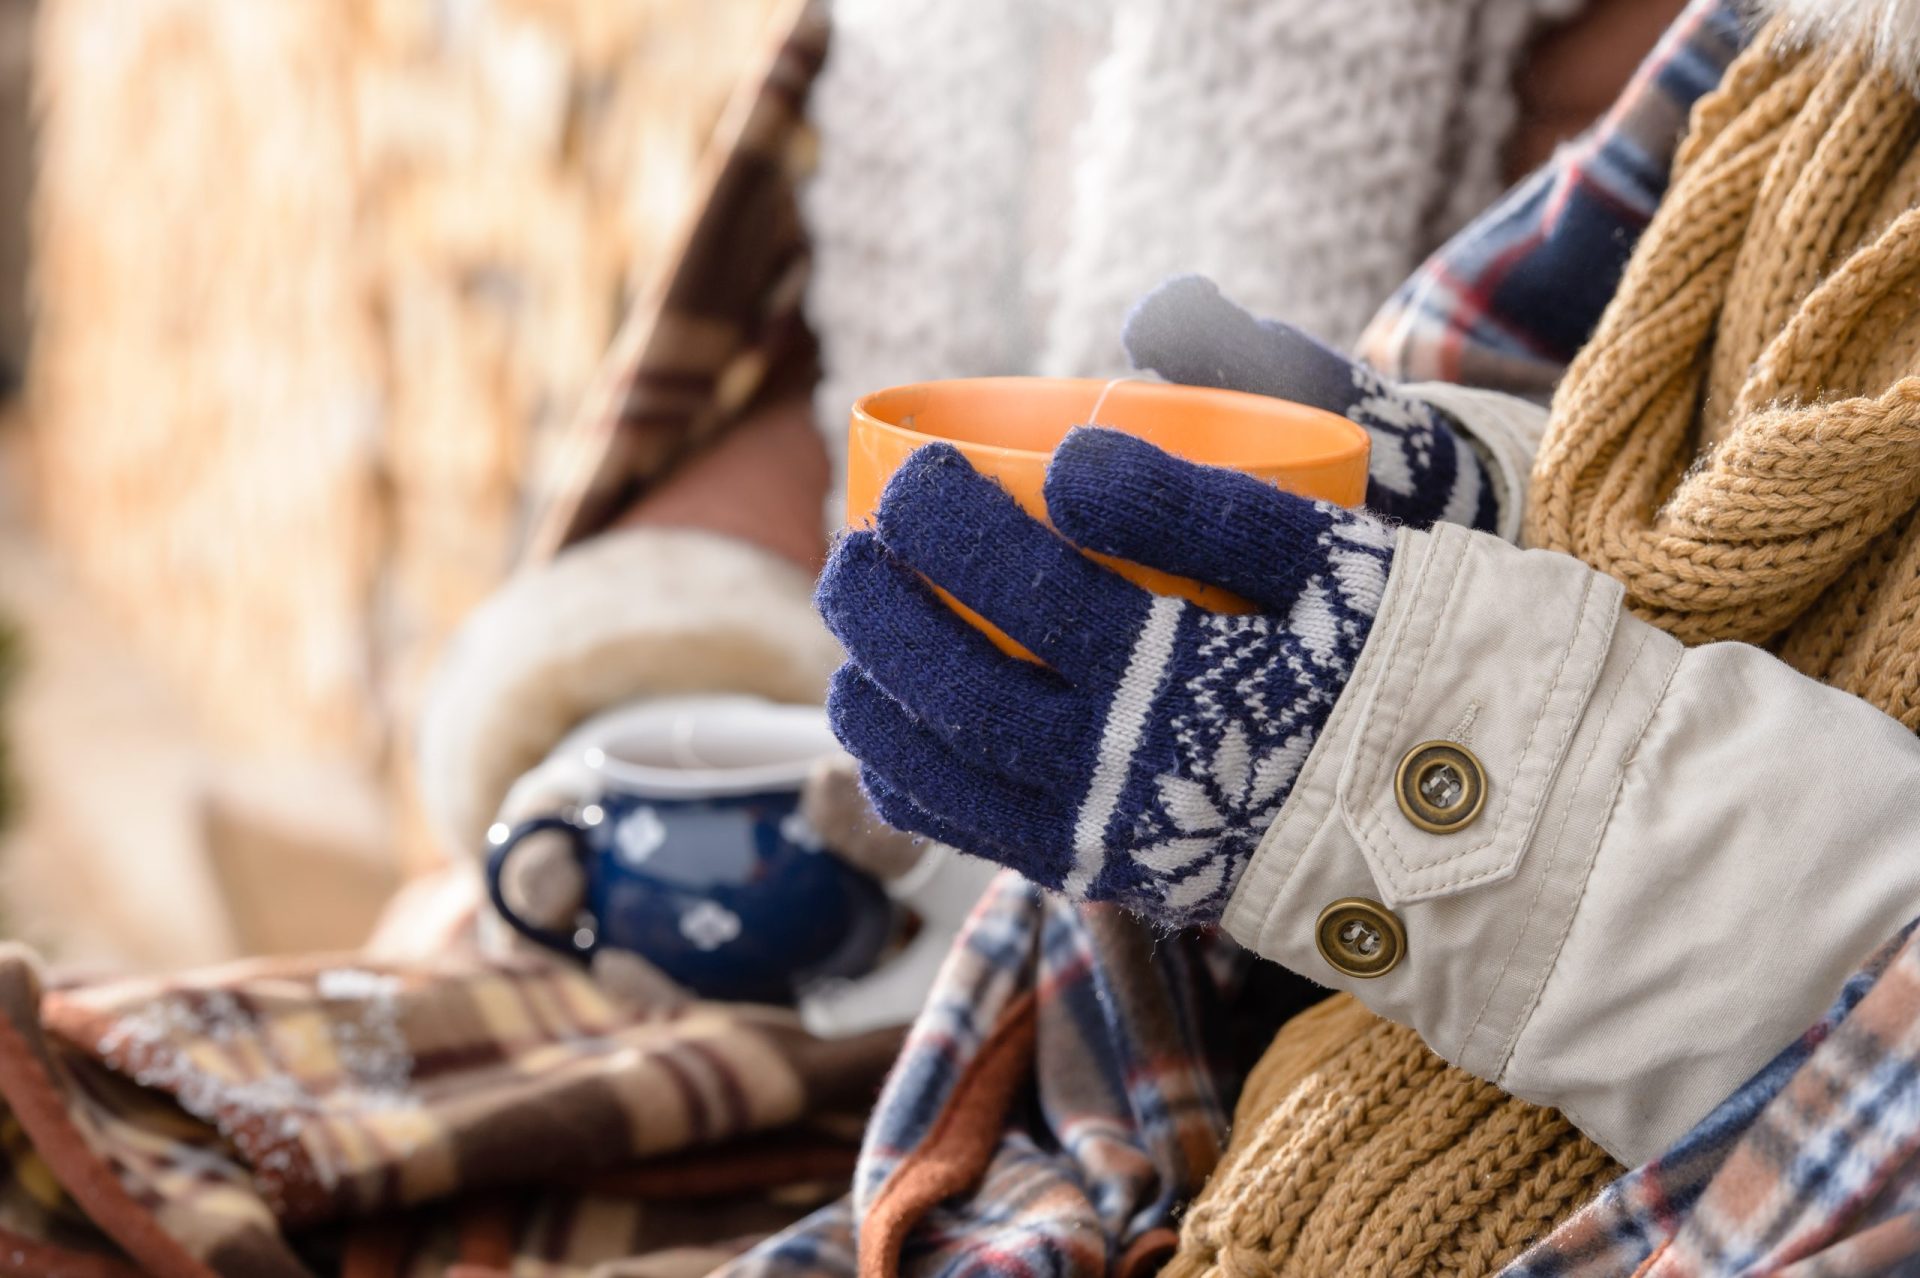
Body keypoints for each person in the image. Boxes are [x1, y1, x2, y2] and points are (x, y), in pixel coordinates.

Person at [805, 0, 1920, 1273]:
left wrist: (1408, 749)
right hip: (1263, 1144)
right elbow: (1637, 452)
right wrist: (1434, 497)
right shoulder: (1793, 47)